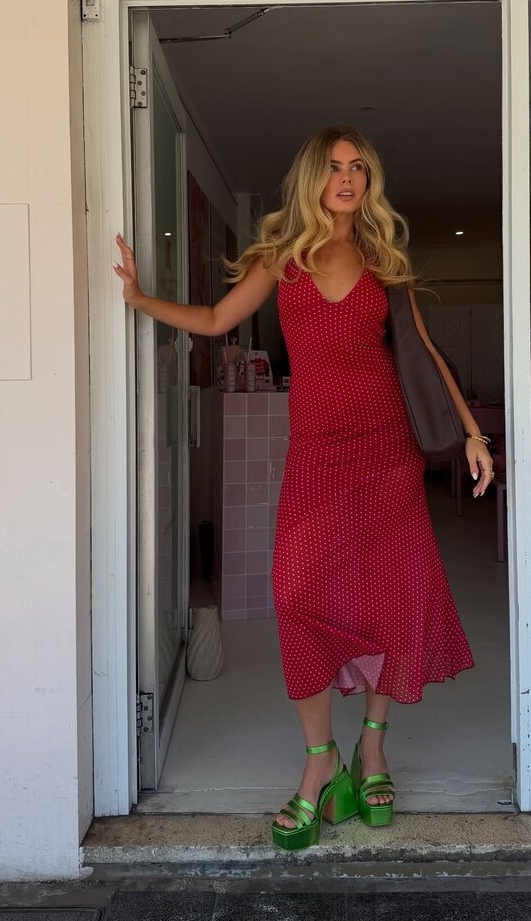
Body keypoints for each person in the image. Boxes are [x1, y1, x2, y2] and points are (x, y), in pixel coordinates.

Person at [114, 125, 492, 850]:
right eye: (334, 167)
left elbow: (423, 352)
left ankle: (372, 750)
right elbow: (216, 320)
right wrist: (139, 298)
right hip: (318, 459)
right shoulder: (280, 260)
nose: (347, 178)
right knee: (296, 593)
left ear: (369, 181)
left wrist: (473, 432)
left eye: (358, 167)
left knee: (391, 595)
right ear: (312, 178)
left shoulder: (384, 261)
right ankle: (321, 759)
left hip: (388, 454)